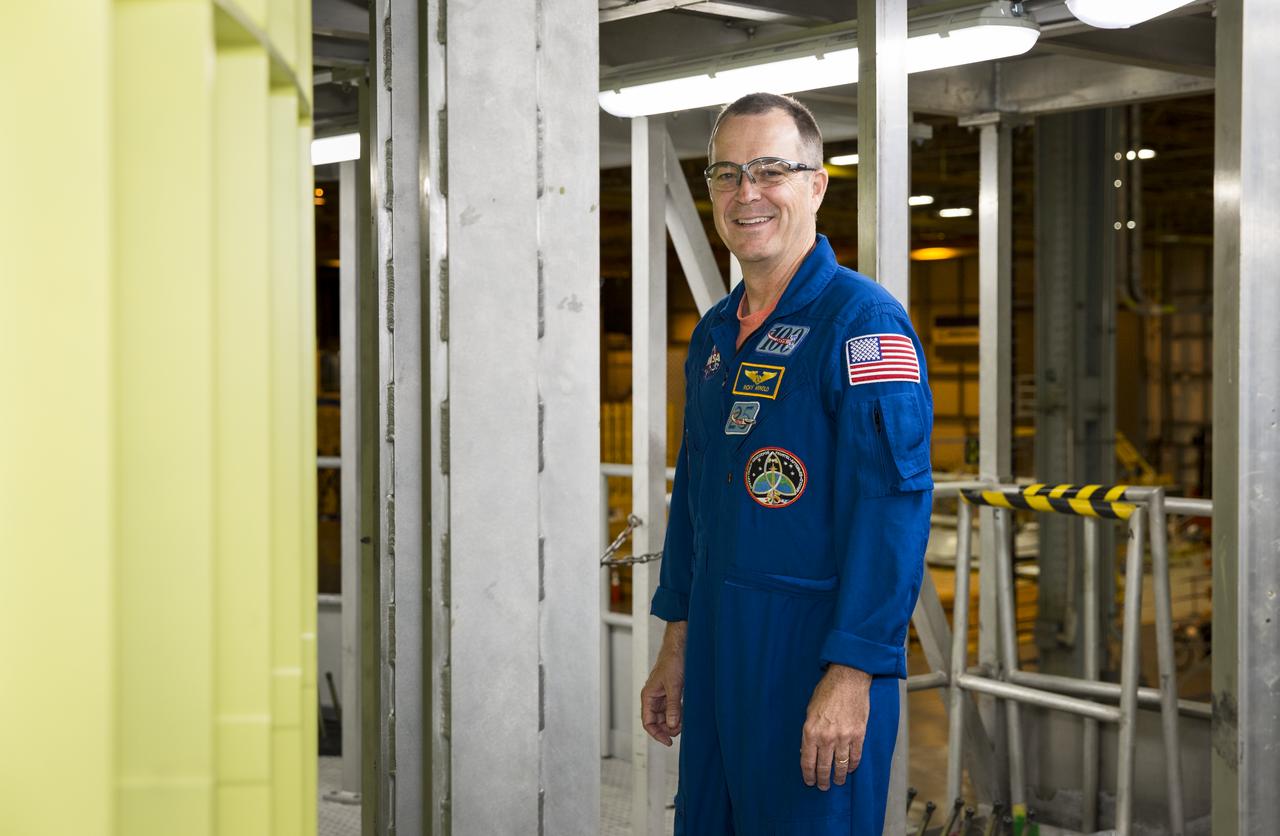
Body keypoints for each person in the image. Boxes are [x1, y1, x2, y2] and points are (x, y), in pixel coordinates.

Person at [641, 92, 933, 835]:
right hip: (715, 647)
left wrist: (854, 671)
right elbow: (696, 500)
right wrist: (676, 636)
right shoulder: (713, 338)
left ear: (816, 184)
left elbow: (892, 508)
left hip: (809, 657)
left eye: (771, 169)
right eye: (727, 173)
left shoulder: (862, 324)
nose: (748, 192)